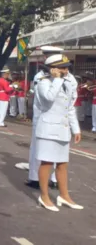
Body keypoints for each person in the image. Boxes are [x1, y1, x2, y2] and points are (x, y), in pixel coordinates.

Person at [35, 54, 83, 212]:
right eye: (63, 68)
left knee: (62, 164)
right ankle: (44, 196)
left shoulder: (67, 83)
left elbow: (69, 108)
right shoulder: (43, 83)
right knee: (47, 163)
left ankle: (64, 196)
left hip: (62, 129)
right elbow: (49, 98)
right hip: (48, 129)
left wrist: (75, 128)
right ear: (53, 69)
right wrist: (57, 79)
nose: (66, 70)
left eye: (67, 67)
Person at [25, 46, 65, 189]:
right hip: (55, 118)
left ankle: (36, 178)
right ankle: (52, 179)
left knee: (39, 148)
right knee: (56, 149)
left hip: (44, 117)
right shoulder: (67, 78)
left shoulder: (41, 76)